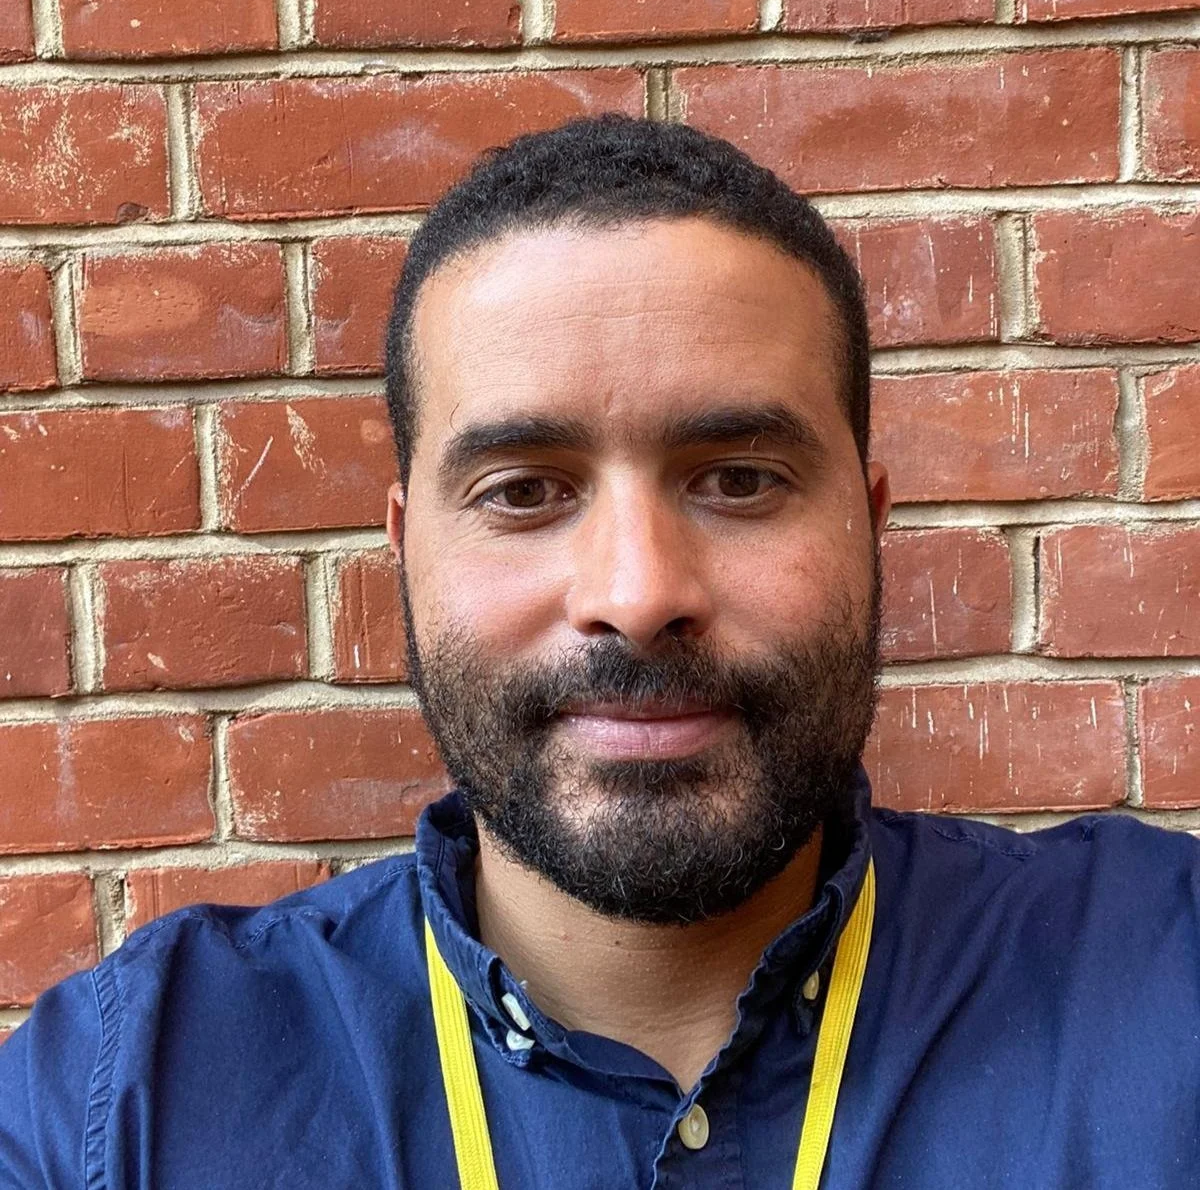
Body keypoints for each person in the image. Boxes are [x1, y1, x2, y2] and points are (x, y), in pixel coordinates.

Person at [1, 116, 1198, 1189]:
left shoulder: (1165, 985)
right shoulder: (122, 1107)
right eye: (525, 492)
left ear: (871, 526)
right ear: (408, 552)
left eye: (739, 480)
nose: (638, 595)